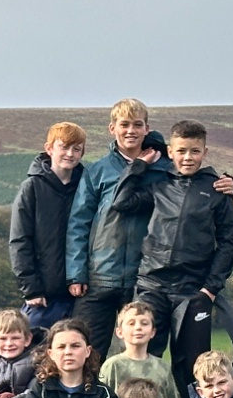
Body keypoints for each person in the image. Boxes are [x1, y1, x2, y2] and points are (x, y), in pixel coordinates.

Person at [134, 120, 233, 397]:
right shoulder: (158, 184)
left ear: (205, 152)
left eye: (194, 151)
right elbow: (122, 202)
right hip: (151, 285)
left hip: (194, 290)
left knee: (192, 368)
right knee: (145, 360)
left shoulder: (218, 190)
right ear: (170, 151)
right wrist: (138, 167)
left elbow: (229, 242)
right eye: (181, 151)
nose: (187, 157)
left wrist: (210, 288)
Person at [64, 99, 169, 356]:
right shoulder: (98, 171)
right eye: (124, 124)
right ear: (113, 128)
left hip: (144, 278)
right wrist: (76, 273)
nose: (130, 130)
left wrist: (225, 183)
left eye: (137, 124)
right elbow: (79, 223)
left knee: (144, 354)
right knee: (86, 352)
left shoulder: (166, 170)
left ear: (147, 128)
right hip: (98, 277)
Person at [9, 123, 87, 334]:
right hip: (43, 297)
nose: (70, 154)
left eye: (76, 149)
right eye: (64, 147)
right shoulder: (31, 188)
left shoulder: (87, 187)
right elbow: (19, 241)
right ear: (49, 148)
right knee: (34, 359)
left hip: (80, 294)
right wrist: (31, 288)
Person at [99, 299, 184, 398]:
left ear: (153, 332)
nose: (138, 328)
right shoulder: (112, 366)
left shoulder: (162, 367)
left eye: (144, 323)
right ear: (120, 332)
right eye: (131, 323)